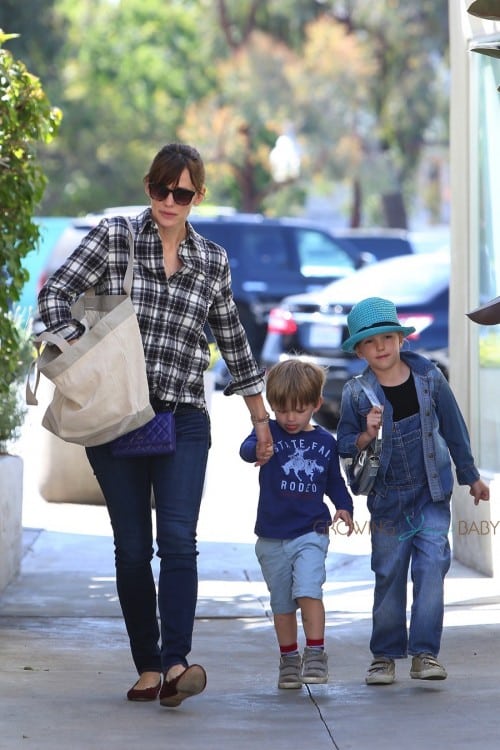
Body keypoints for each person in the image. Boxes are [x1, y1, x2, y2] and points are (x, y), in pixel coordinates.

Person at [38, 143, 273, 708]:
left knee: (178, 541)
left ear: (198, 197)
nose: (170, 201)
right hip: (116, 417)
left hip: (184, 415)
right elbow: (54, 297)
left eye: (183, 192)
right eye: (161, 189)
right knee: (131, 548)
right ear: (149, 188)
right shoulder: (116, 237)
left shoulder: (212, 260)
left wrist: (260, 417)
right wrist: (78, 351)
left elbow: (232, 339)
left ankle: (176, 664)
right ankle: (147, 664)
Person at [336, 297, 490, 686]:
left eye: (388, 337)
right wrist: (368, 433)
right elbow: (344, 445)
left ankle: (425, 653)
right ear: (359, 350)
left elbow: (453, 427)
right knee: (388, 574)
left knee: (431, 570)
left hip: (431, 494)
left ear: (402, 340)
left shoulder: (430, 378)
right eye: (371, 342)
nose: (382, 347)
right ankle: (384, 656)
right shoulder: (357, 394)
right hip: (387, 500)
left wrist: (470, 475)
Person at [239, 360, 354, 689]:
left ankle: (315, 653)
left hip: (311, 532)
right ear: (272, 407)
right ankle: (289, 659)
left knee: (307, 590)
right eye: (282, 410)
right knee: (282, 603)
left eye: (299, 410)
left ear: (316, 404)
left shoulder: (325, 443)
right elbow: (246, 449)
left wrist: (344, 506)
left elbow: (334, 481)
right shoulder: (270, 431)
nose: (290, 418)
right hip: (271, 536)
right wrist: (257, 449)